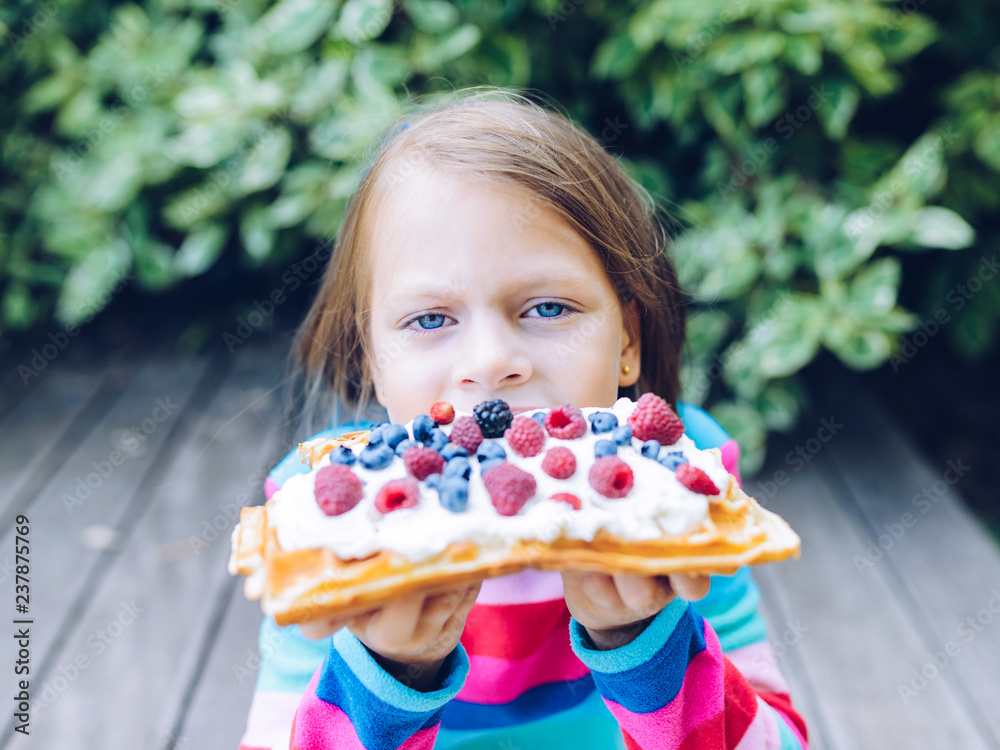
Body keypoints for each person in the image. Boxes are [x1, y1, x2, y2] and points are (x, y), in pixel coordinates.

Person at [237, 88, 808, 750]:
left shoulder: (680, 498)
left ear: (626, 337)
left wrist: (647, 649)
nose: (491, 363)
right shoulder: (328, 527)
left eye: (547, 308)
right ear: (372, 358)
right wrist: (387, 677)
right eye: (430, 319)